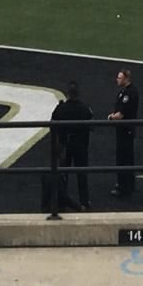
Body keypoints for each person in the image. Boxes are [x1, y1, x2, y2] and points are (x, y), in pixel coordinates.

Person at [49, 81, 93, 212]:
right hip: (80, 145)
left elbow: (52, 124)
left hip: (65, 146)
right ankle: (84, 201)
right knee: (82, 174)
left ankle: (61, 201)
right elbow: (91, 125)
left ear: (67, 94)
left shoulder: (61, 108)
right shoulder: (85, 108)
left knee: (63, 175)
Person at [108, 67, 139, 197]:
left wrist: (111, 117)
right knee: (126, 157)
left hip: (125, 130)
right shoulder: (125, 91)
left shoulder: (129, 93)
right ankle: (128, 183)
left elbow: (121, 114)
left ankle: (123, 186)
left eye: (119, 77)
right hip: (124, 130)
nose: (117, 79)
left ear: (126, 78)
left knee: (123, 158)